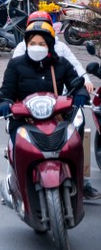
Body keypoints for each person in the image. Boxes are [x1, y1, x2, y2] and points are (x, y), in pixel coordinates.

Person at [9, 13, 101, 200]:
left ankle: (81, 180)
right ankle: (14, 181)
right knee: (15, 136)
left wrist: (84, 84)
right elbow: (11, 77)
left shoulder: (61, 49)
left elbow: (75, 68)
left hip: (60, 104)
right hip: (29, 106)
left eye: (43, 28)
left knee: (78, 130)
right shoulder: (21, 50)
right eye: (34, 29)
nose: (38, 38)